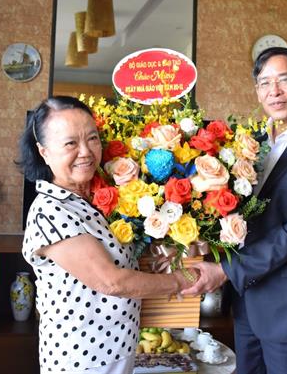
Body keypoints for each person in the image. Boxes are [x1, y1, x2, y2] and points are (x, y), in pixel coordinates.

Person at [183, 47, 287, 374]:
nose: (274, 91)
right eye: (264, 83)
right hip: (247, 300)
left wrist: (227, 270)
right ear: (257, 91)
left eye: (284, 80)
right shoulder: (249, 143)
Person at [19, 96, 199, 374]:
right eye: (70, 143)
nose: (86, 152)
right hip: (82, 358)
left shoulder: (93, 199)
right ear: (44, 152)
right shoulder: (50, 211)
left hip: (116, 347)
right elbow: (111, 281)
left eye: (92, 138)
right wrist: (180, 281)